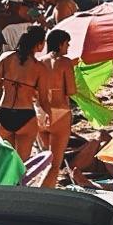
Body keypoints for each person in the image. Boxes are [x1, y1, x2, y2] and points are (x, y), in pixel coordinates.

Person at [0, 26, 45, 167]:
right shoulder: (39, 67)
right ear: (39, 44)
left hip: (4, 113)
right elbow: (42, 97)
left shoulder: (5, 57)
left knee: (8, 160)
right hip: (26, 114)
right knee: (20, 164)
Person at [37, 27, 76, 188]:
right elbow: (71, 90)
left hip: (40, 112)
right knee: (55, 163)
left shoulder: (39, 62)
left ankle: (43, 189)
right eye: (67, 43)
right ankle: (44, 192)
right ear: (60, 44)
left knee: (46, 159)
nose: (68, 47)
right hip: (59, 112)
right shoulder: (65, 62)